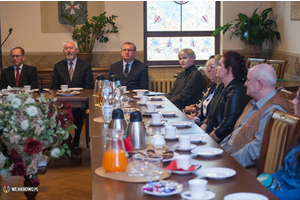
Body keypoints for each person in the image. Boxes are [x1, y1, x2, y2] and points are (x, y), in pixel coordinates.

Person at [220, 63, 292, 167]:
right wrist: (220, 150)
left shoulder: (273, 109)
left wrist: (229, 161)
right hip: (231, 158)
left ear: (259, 84)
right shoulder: (254, 102)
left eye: (248, 80)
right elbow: (236, 132)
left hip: (245, 171)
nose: (245, 84)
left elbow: (257, 149)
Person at [50, 40, 94, 152]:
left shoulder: (85, 65)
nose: (69, 50)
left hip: (80, 101)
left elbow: (89, 86)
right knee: (52, 112)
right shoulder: (58, 66)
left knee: (78, 111)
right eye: (66, 48)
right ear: (63, 51)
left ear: (76, 50)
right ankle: (63, 139)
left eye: (71, 48)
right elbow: (54, 86)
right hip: (62, 101)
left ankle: (76, 140)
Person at [258, 87, 300, 200]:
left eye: (298, 98)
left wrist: (269, 195)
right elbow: (284, 170)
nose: (293, 101)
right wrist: (266, 183)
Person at [201, 51, 250, 143]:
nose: (216, 68)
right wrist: (199, 133)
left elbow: (227, 127)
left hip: (223, 141)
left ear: (229, 69)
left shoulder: (236, 91)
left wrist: (206, 140)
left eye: (219, 65)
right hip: (212, 134)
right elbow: (210, 115)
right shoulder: (220, 86)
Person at [185, 55, 223, 127]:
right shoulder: (214, 85)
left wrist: (195, 119)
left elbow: (214, 119)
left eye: (212, 66)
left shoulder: (222, 89)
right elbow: (204, 114)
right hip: (202, 123)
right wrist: (195, 119)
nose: (209, 70)